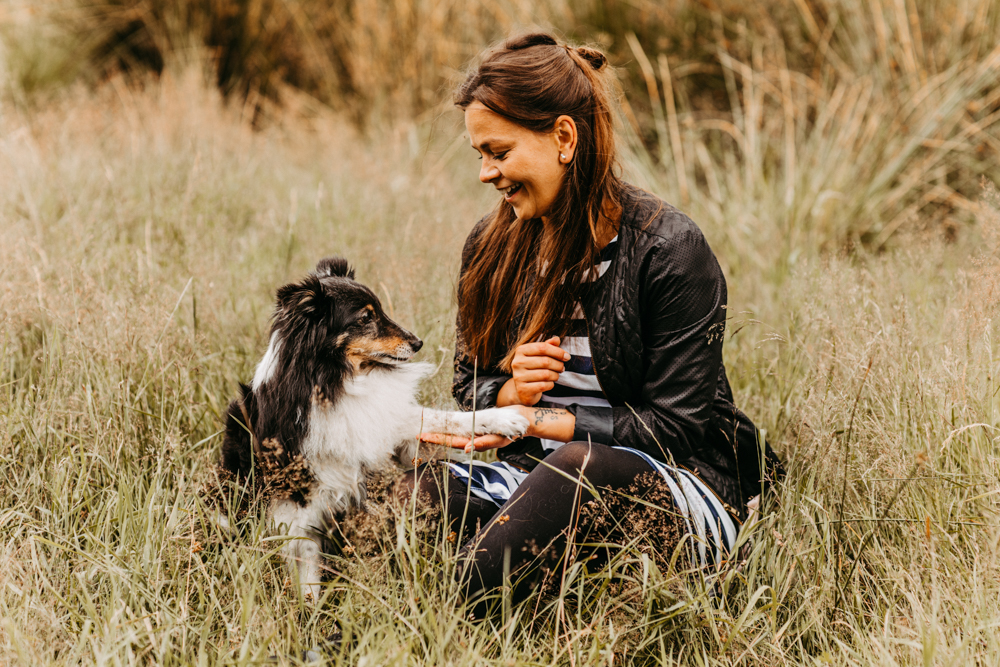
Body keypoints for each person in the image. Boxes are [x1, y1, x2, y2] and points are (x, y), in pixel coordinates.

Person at [398, 32, 783, 614]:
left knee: (577, 469)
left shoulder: (669, 249)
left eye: (498, 152)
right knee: (409, 493)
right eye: (479, 155)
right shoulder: (489, 247)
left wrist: (541, 418)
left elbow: (674, 429)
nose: (485, 173)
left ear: (563, 138)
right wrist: (508, 390)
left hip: (684, 490)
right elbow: (469, 387)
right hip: (538, 481)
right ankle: (486, 590)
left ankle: (441, 623)